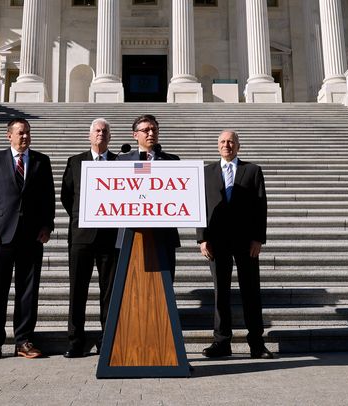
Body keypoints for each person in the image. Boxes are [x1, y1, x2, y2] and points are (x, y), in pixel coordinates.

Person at [0, 118, 55, 359]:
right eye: (20, 133)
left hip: (31, 235)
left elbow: (48, 198)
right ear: (9, 135)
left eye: (28, 133)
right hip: (0, 235)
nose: (25, 137)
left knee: (28, 290)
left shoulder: (42, 161)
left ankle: (24, 340)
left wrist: (47, 226)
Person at [196, 130, 274, 359]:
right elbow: (200, 206)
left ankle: (257, 344)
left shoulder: (252, 171)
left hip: (246, 241)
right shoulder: (206, 172)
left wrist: (258, 238)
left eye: (230, 141)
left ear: (238, 145)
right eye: (222, 141)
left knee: (251, 291)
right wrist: (202, 238)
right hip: (216, 241)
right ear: (217, 145)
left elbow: (261, 206)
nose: (226, 145)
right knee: (221, 292)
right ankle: (221, 342)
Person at [60, 118, 119, 358]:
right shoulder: (75, 162)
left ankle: (108, 340)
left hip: (110, 236)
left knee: (109, 292)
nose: (101, 134)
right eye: (97, 130)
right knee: (78, 290)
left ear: (110, 137)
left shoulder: (119, 162)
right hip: (81, 236)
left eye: (105, 131)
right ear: (89, 135)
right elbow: (67, 196)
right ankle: (76, 341)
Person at [117, 114, 181, 279]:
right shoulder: (120, 161)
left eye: (154, 129)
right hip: (131, 232)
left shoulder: (172, 161)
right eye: (146, 130)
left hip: (164, 232)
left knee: (165, 281)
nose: (151, 133)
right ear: (135, 135)